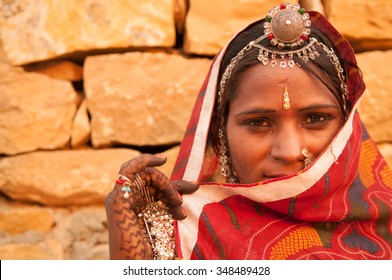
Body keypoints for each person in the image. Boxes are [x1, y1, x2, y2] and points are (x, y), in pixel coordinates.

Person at [105, 3, 392, 260]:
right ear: (221, 134)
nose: (290, 151)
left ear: (347, 127)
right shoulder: (184, 240)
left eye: (315, 118)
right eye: (258, 123)